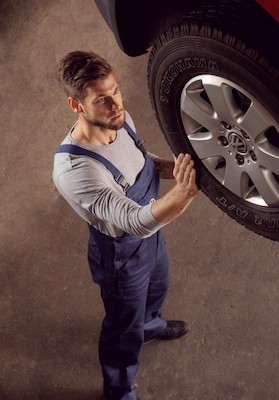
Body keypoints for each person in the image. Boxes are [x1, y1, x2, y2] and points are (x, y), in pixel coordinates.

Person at [53, 51, 198, 400]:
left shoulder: (119, 120)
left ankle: (149, 325)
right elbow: (135, 221)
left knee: (159, 286)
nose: (115, 104)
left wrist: (176, 168)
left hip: (153, 235)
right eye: (102, 99)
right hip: (122, 255)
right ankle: (118, 389)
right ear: (76, 105)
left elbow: (142, 161)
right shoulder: (76, 171)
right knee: (122, 328)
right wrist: (185, 190)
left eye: (115, 91)